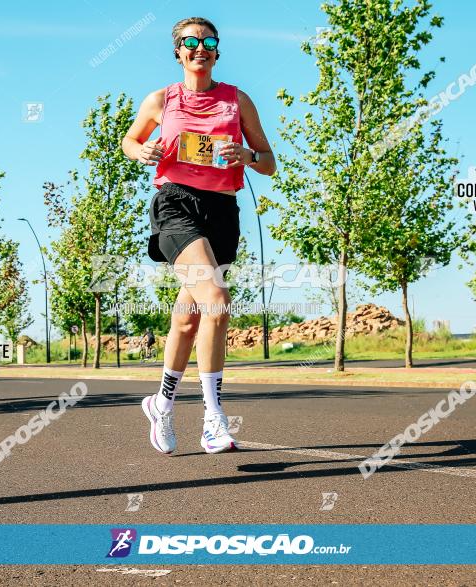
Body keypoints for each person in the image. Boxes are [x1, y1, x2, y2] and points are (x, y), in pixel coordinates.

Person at [122, 16, 276, 455]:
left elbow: (269, 162)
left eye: (208, 41)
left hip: (222, 211)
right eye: (190, 42)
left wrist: (246, 154)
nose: (200, 48)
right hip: (176, 204)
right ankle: (213, 417)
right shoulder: (161, 100)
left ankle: (162, 403)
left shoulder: (236, 100)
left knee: (190, 318)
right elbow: (129, 142)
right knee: (217, 299)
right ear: (178, 51)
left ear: (216, 50)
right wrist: (144, 150)